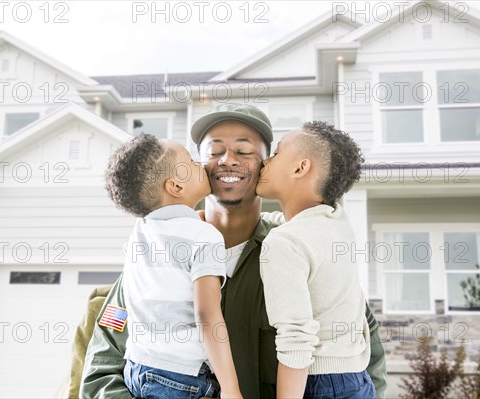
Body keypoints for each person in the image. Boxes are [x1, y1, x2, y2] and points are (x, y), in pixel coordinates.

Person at [78, 103, 388, 399]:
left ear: (267, 165)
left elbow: (364, 354)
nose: (228, 159)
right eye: (213, 151)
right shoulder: (156, 254)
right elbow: (101, 372)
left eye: (245, 151)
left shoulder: (301, 247)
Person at [102, 133, 243, 399]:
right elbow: (207, 316)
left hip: (136, 367)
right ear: (176, 186)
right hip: (180, 375)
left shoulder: (140, 231)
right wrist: (231, 389)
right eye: (190, 161)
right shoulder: (204, 236)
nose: (200, 164)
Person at [256, 121, 375, 399]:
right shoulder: (336, 219)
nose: (265, 160)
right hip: (355, 377)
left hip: (315, 382)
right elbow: (295, 226)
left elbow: (295, 339)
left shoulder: (284, 243)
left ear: (300, 168)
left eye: (276, 153)